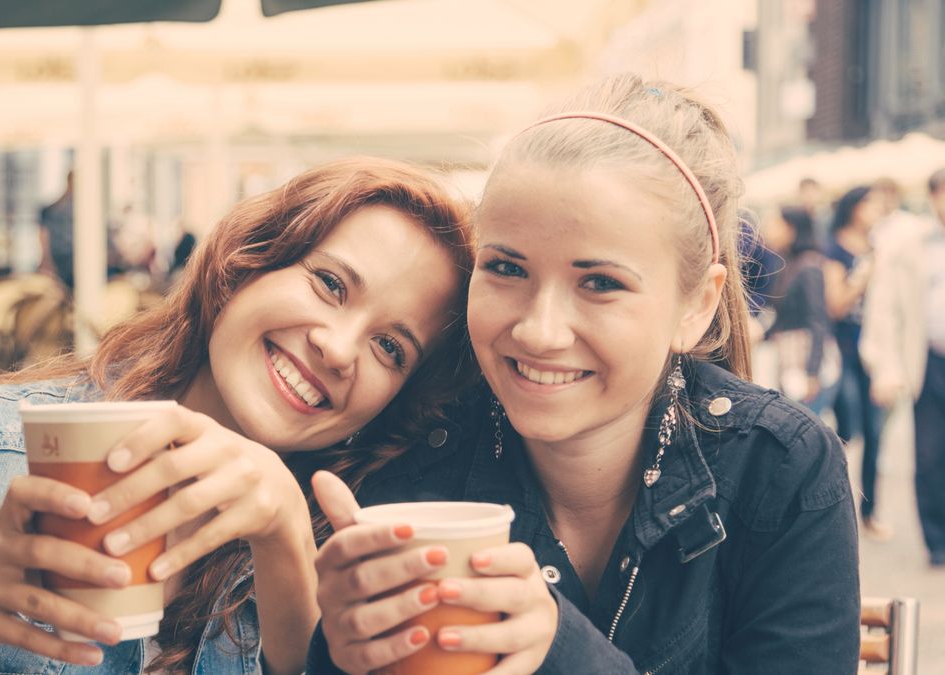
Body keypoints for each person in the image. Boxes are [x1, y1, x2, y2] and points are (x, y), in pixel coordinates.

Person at [0, 157, 476, 675]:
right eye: (329, 283)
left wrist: (288, 541)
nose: (339, 346)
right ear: (244, 262)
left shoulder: (362, 542)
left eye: (391, 345)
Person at [308, 74, 860, 673]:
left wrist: (563, 651)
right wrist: (338, 651)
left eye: (600, 283)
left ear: (697, 305)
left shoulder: (779, 468)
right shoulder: (412, 452)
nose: (539, 331)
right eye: (506, 268)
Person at [861, 167, 945, 567]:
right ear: (934, 197)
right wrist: (885, 366)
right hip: (927, 361)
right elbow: (885, 309)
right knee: (928, 455)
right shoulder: (912, 246)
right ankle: (937, 541)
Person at [824, 184, 890, 540]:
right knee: (848, 431)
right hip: (844, 352)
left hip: (874, 353)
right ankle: (838, 509)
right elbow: (835, 304)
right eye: (871, 204)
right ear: (854, 208)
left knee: (877, 433)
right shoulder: (835, 248)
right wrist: (862, 277)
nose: (877, 210)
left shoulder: (879, 247)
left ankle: (870, 512)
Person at [764, 206, 840, 413]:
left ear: (791, 229)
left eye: (775, 224)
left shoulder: (808, 266)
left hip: (805, 358)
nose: (768, 229)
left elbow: (817, 319)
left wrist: (812, 373)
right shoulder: (788, 262)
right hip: (790, 354)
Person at [39, 170, 76, 287]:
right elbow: (43, 234)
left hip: (75, 261)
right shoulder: (53, 210)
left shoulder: (87, 211)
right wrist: (46, 259)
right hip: (62, 261)